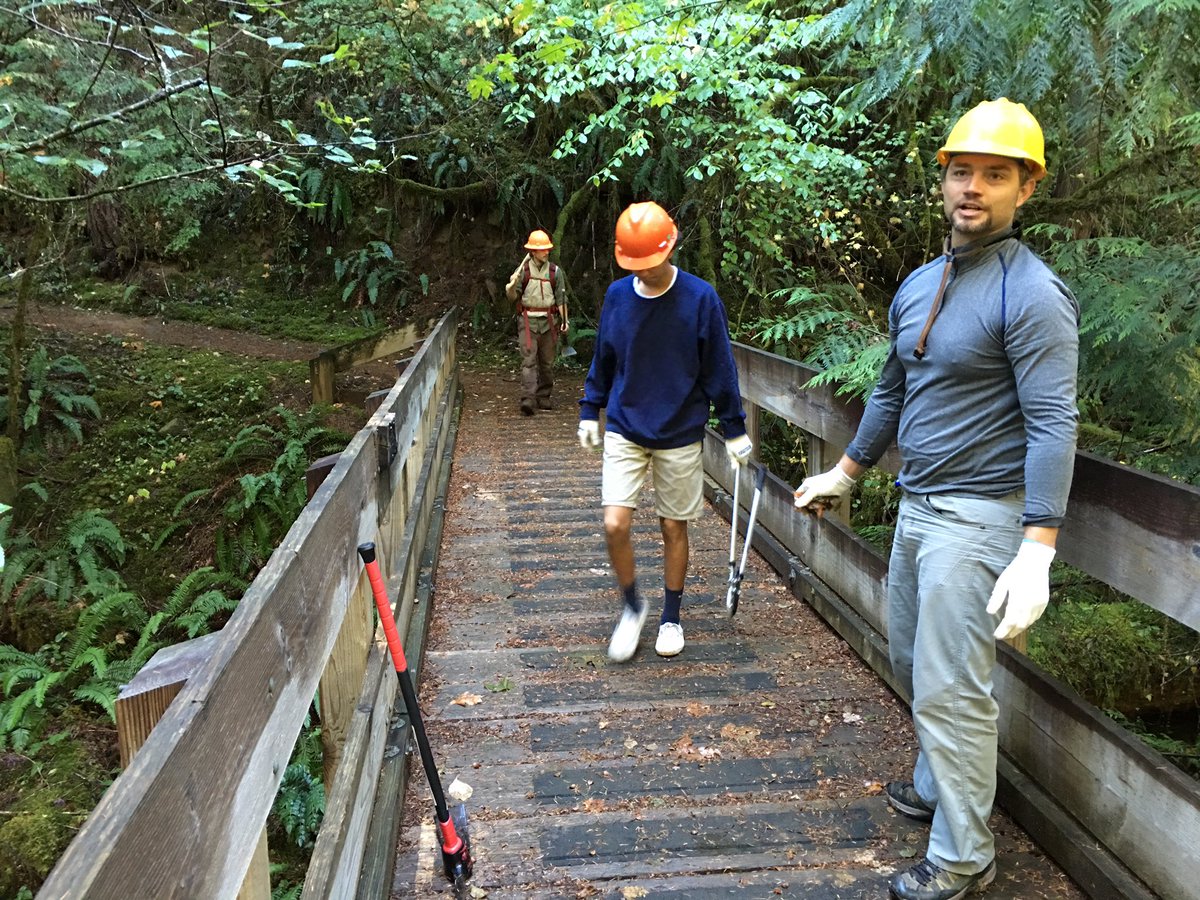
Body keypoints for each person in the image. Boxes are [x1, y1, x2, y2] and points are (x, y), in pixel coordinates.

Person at [793, 99, 1079, 900]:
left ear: (1026, 188)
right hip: (917, 506)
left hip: (980, 517)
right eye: (962, 172)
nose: (973, 188)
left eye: (996, 175)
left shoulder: (1033, 294)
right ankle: (934, 786)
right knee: (913, 662)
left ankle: (962, 858)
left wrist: (1039, 548)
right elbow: (893, 387)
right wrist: (846, 472)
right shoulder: (924, 282)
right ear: (944, 180)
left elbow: (1054, 422)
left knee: (954, 691)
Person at [578, 201, 752, 662]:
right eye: (636, 263)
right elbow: (604, 357)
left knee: (673, 525)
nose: (645, 270)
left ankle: (671, 617)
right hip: (626, 424)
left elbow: (719, 367)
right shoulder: (618, 296)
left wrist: (733, 428)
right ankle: (632, 606)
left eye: (651, 261)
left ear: (670, 248)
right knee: (614, 522)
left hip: (679, 429)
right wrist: (590, 408)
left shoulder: (700, 298)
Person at [505, 230, 569, 415]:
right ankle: (528, 398)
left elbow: (561, 299)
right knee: (529, 361)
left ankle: (544, 396)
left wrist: (565, 321)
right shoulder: (523, 272)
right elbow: (512, 297)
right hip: (528, 322)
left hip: (549, 322)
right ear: (533, 251)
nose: (546, 252)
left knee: (547, 363)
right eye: (542, 249)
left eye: (547, 249)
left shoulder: (555, 272)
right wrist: (511, 287)